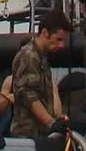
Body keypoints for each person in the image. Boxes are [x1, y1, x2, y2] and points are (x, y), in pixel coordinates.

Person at [7, 11, 71, 140]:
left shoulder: (41, 57)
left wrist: (57, 118)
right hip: (28, 135)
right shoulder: (29, 56)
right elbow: (29, 97)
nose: (61, 45)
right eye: (58, 39)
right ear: (45, 33)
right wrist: (51, 123)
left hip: (40, 134)